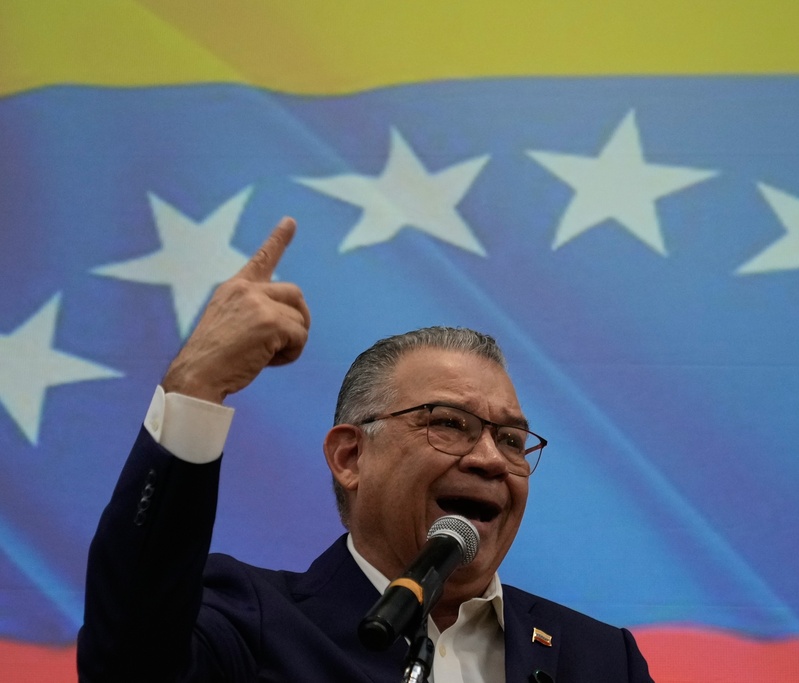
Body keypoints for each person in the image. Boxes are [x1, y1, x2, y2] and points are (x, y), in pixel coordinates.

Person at [77, 218, 654, 682]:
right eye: (450, 424)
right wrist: (196, 386)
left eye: (511, 439)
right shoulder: (253, 625)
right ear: (350, 458)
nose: (490, 459)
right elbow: (129, 660)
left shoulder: (601, 660)